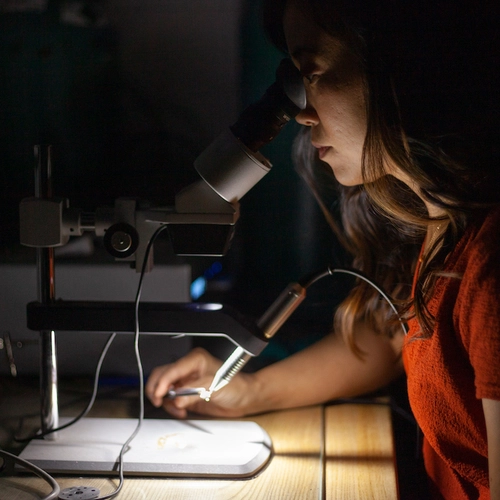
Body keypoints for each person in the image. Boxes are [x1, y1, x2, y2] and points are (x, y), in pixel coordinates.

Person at [146, 1, 500, 498]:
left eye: (312, 73)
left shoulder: (490, 268)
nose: (302, 113)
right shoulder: (442, 226)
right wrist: (249, 391)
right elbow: (393, 338)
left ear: (402, 66)